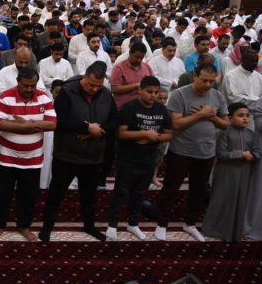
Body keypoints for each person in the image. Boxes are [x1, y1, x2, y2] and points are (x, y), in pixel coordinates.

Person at [39, 62, 117, 243]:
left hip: (94, 155)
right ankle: (47, 227)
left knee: (89, 196)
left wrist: (98, 130)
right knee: (56, 194)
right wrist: (86, 128)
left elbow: (115, 119)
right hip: (67, 154)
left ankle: (89, 226)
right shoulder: (67, 92)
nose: (94, 89)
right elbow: (60, 119)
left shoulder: (106, 94)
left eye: (98, 86)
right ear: (84, 77)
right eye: (91, 85)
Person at [155, 63, 229, 242]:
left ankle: (190, 223)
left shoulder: (217, 96)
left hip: (206, 152)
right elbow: (176, 124)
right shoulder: (179, 94)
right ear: (195, 76)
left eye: (211, 81)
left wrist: (212, 116)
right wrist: (201, 114)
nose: (208, 84)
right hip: (181, 151)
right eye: (204, 80)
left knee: (198, 191)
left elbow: (226, 124)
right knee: (170, 189)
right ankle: (162, 224)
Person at [0, 67, 56, 242]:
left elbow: (52, 124)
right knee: (2, 194)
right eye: (25, 85)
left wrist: (25, 123)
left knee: (29, 195)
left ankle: (24, 225)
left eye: (33, 85)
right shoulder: (5, 97)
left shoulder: (44, 97)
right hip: (5, 157)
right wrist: (32, 126)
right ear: (18, 82)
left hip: (32, 158)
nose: (29, 89)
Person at [105, 76, 172, 241]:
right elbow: (121, 133)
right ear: (140, 90)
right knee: (120, 192)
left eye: (156, 92)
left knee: (140, 193)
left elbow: (169, 134)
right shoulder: (129, 107)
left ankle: (133, 223)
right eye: (149, 92)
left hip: (148, 159)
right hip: (127, 158)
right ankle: (112, 225)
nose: (153, 95)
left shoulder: (161, 109)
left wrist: (153, 137)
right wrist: (144, 133)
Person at [202, 103, 260, 242]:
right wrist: (241, 154)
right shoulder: (224, 132)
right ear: (229, 117)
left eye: (247, 116)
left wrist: (253, 155)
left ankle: (234, 230)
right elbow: (221, 153)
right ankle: (214, 229)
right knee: (222, 199)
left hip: (244, 172)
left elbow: (257, 151)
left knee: (240, 200)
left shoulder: (250, 134)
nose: (245, 118)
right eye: (240, 115)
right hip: (226, 172)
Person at [111, 42, 153, 108]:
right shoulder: (119, 67)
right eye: (136, 57)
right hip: (124, 107)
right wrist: (136, 85)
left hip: (143, 107)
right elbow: (115, 89)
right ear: (130, 53)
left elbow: (153, 86)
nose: (139, 60)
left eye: (141, 58)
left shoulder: (147, 67)